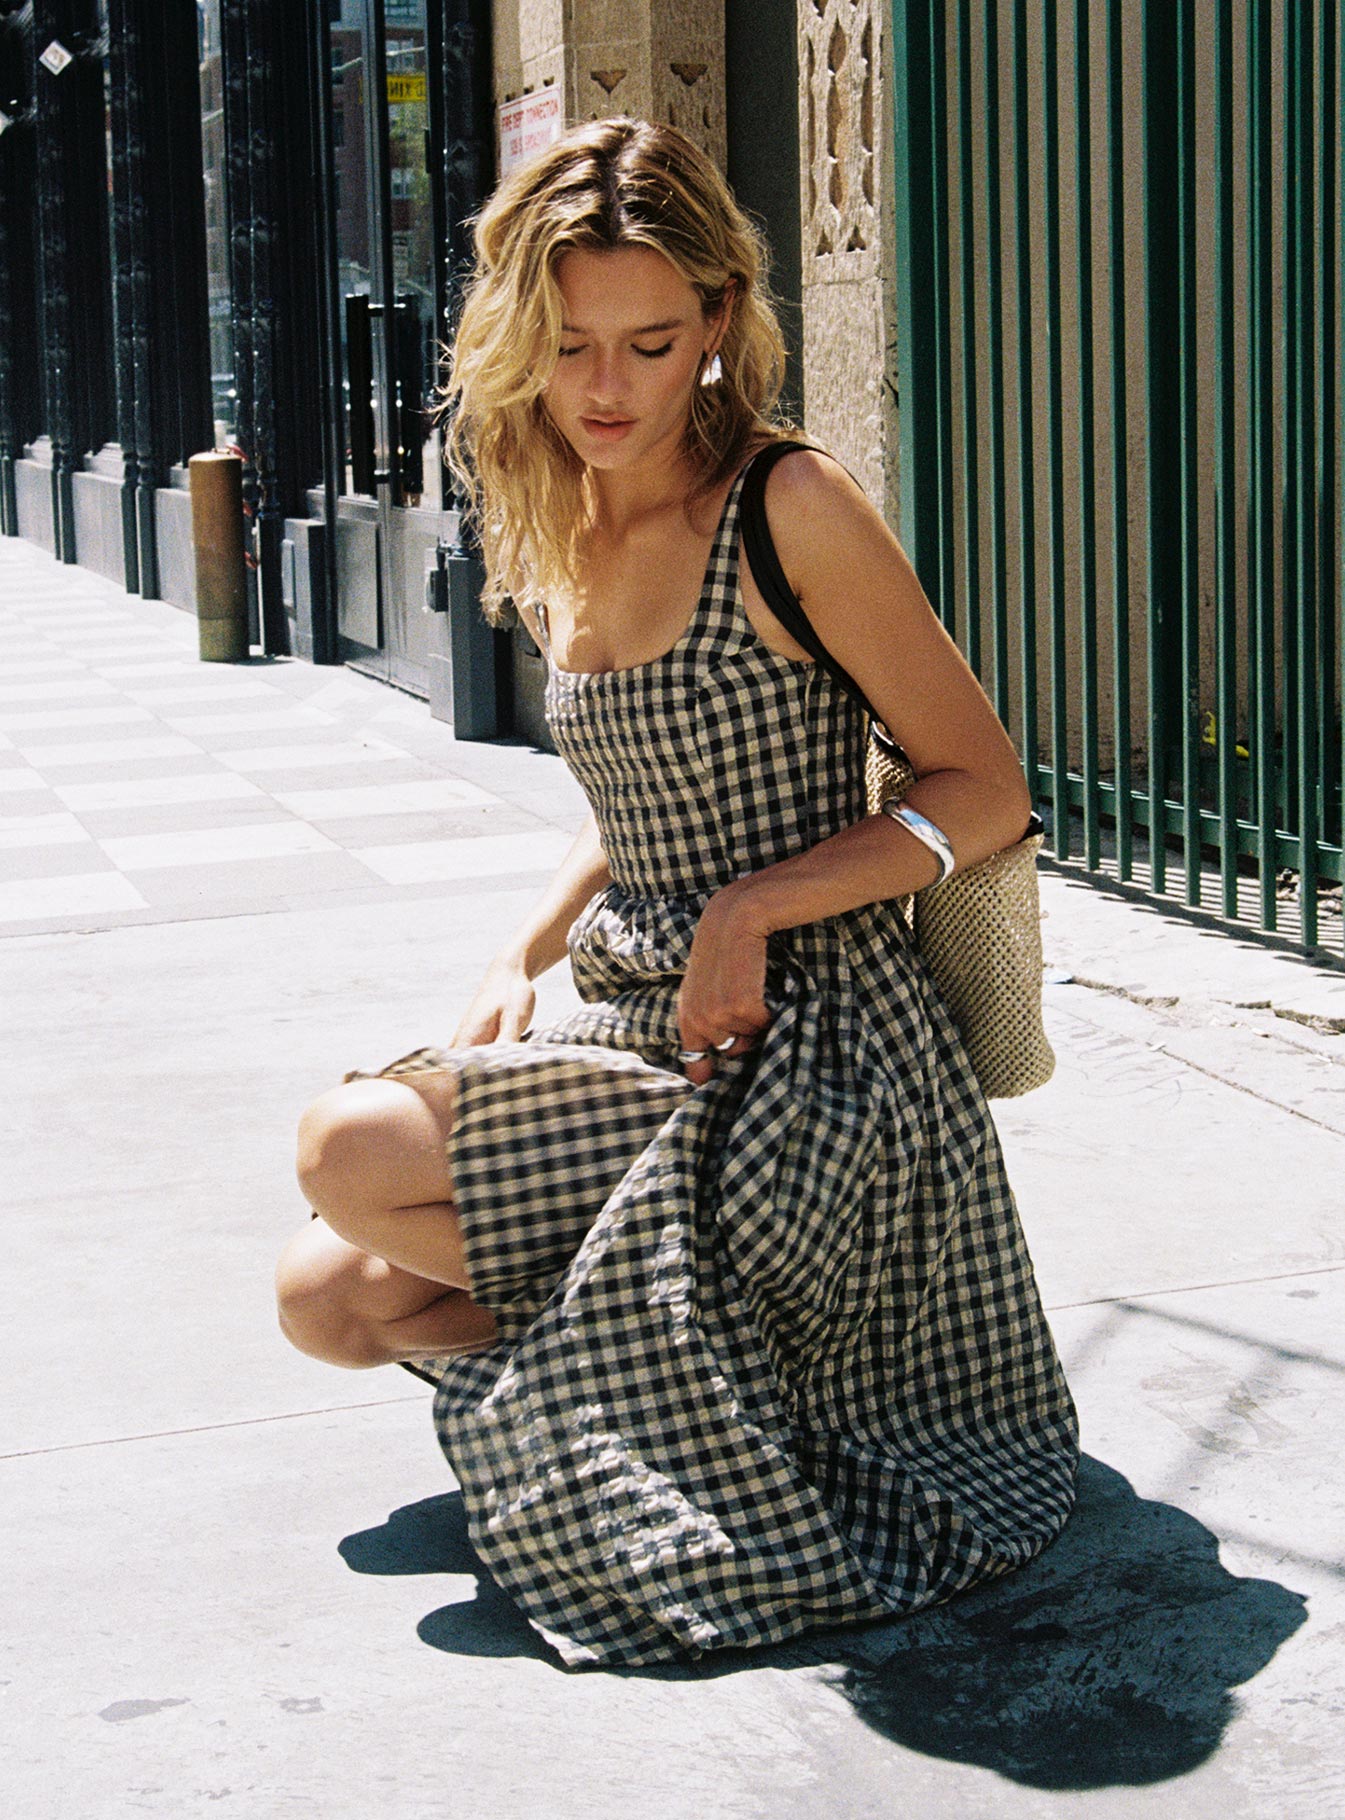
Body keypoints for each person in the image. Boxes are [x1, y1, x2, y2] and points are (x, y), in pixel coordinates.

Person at [274, 117, 1078, 1668]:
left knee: (348, 1147)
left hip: (815, 1059)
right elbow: (646, 785)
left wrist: (750, 909)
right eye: (569, 346)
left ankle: (700, 1380)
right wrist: (526, 939)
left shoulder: (789, 505)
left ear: (718, 321)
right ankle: (663, 1385)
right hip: (645, 1019)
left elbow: (983, 790)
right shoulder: (567, 497)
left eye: (650, 344)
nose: (604, 390)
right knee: (326, 1297)